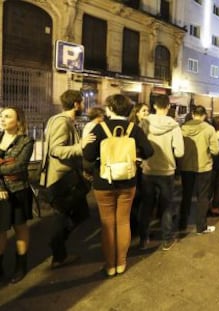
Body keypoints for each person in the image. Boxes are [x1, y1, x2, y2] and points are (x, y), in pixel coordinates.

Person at [83, 94, 153, 277]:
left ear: (111, 109)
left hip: (104, 181)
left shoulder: (100, 129)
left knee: (107, 223)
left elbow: (89, 156)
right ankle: (121, 262)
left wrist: (85, 144)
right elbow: (149, 151)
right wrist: (136, 158)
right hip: (128, 180)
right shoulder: (134, 129)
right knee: (123, 221)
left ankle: (110, 265)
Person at [42, 90, 95, 269]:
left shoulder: (63, 121)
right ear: (76, 104)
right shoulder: (62, 122)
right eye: (81, 103)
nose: (83, 106)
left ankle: (57, 247)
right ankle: (58, 252)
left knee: (79, 214)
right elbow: (56, 150)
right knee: (64, 215)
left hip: (67, 177)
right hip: (61, 179)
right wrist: (81, 145)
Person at [138, 95, 184, 251]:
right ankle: (167, 240)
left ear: (155, 106)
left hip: (148, 169)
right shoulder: (174, 126)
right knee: (166, 206)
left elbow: (139, 145)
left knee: (146, 205)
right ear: (168, 106)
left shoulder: (144, 122)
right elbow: (179, 152)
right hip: (166, 171)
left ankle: (143, 239)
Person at [0, 107, 34, 284]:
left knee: (20, 227)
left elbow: (19, 167)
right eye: (1, 116)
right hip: (0, 192)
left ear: (18, 121)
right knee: (0, 230)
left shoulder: (26, 141)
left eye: (7, 116)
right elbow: (9, 168)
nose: (2, 119)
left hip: (18, 190)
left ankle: (21, 265)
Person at [178, 105, 219, 233]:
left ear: (193, 114)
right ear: (204, 115)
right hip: (204, 167)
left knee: (186, 195)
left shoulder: (183, 128)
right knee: (203, 196)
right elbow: (216, 150)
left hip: (185, 166)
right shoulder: (209, 129)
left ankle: (182, 223)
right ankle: (201, 226)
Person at [128, 103, 150, 236]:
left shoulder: (146, 125)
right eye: (144, 111)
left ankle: (136, 225)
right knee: (137, 197)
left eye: (148, 110)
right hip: (136, 164)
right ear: (136, 113)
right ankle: (135, 226)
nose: (147, 113)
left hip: (141, 164)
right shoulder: (135, 127)